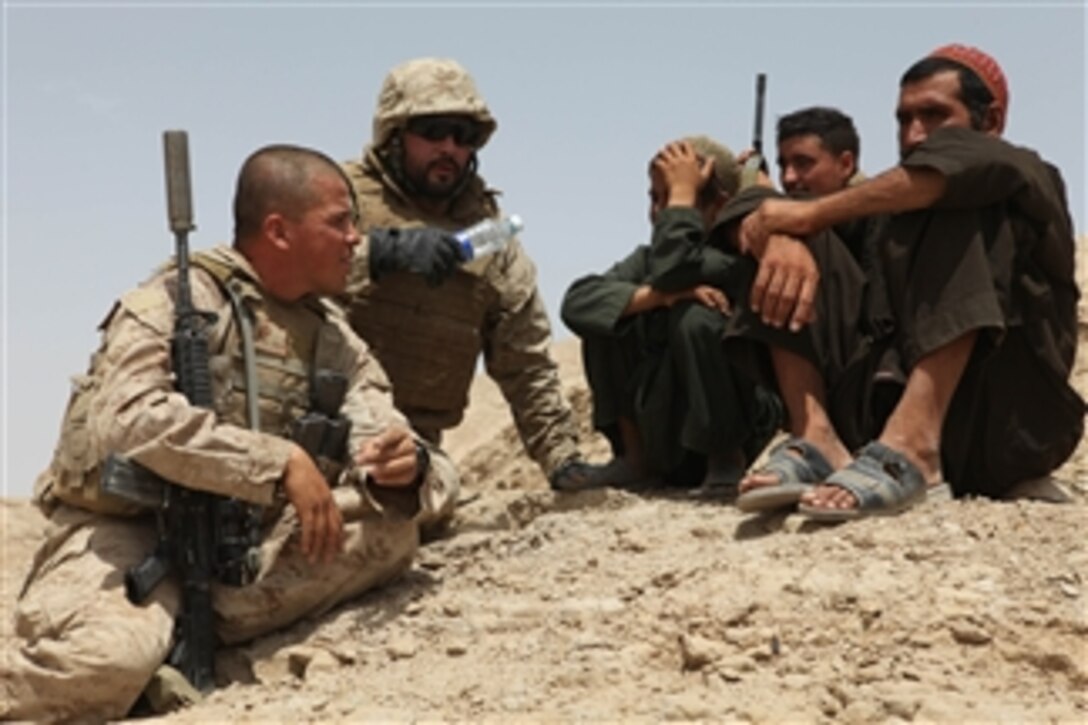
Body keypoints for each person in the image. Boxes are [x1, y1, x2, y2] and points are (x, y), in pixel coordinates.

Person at [0, 144, 460, 721]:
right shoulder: (177, 300)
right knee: (106, 664)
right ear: (279, 230)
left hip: (239, 543)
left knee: (389, 536)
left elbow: (399, 439)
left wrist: (407, 468)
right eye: (340, 222)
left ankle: (167, 636)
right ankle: (138, 644)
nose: (355, 240)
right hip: (127, 532)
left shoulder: (335, 339)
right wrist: (276, 461)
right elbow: (129, 416)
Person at [720, 44, 1084, 520]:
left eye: (934, 115)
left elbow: (971, 167)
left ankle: (916, 448)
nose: (914, 135)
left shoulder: (1025, 172)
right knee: (787, 234)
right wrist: (777, 235)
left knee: (963, 196)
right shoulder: (883, 210)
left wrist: (806, 213)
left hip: (1002, 426)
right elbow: (743, 216)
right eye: (903, 118)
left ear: (990, 121)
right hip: (871, 428)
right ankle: (816, 439)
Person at [340, 56, 602, 494]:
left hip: (413, 449)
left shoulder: (487, 235)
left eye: (464, 136)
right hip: (323, 427)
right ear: (394, 135)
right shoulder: (338, 198)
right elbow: (277, 281)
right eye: (433, 131)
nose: (450, 148)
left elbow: (525, 360)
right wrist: (380, 253)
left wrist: (562, 460)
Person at [561, 137, 781, 490]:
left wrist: (682, 207)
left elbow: (675, 268)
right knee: (609, 314)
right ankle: (633, 461)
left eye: (676, 198)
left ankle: (725, 458)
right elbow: (577, 302)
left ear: (718, 206)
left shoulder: (734, 259)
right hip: (663, 429)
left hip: (734, 425)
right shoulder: (650, 260)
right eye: (655, 198)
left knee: (695, 317)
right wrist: (659, 297)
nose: (660, 212)